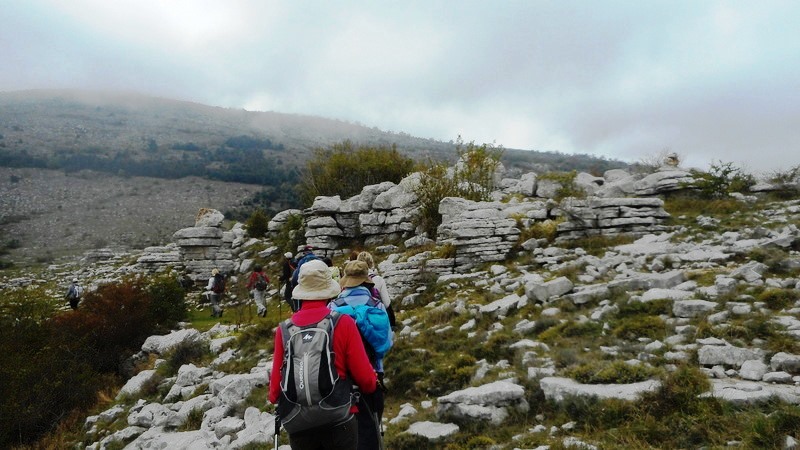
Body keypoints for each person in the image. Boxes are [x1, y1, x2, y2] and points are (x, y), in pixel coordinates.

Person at [269, 259, 377, 450]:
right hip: (339, 420)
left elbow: (274, 393)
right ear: (329, 290)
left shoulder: (284, 330)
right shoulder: (343, 323)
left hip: (299, 424)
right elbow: (366, 381)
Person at [330, 260, 392, 450]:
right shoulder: (376, 306)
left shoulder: (333, 307)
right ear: (366, 281)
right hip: (373, 375)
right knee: (371, 428)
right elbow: (386, 344)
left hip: (341, 378)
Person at [356, 251, 397, 329]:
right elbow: (386, 303)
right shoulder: (378, 280)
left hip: (360, 319)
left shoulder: (354, 281)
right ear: (371, 263)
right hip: (377, 316)